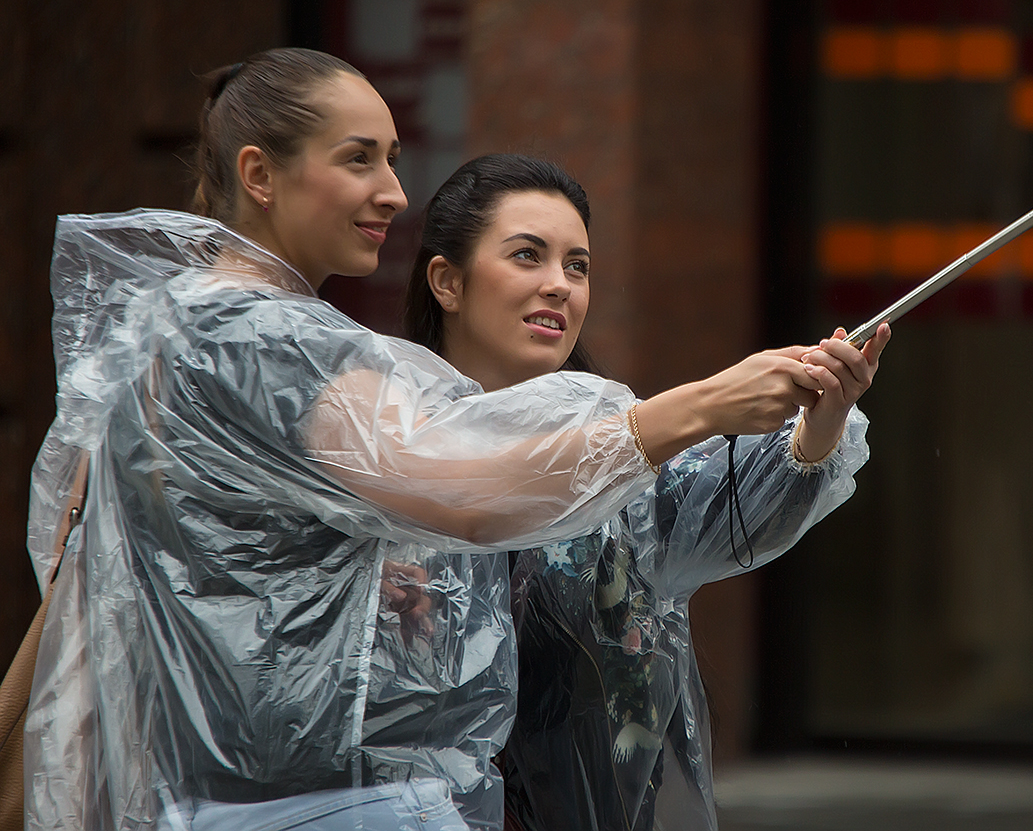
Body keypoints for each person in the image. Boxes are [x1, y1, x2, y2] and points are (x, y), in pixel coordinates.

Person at [23, 49, 833, 831]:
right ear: (259, 174)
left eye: (393, 159)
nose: (392, 193)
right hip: (327, 804)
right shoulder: (263, 340)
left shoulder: (168, 331)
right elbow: (467, 495)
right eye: (359, 160)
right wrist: (701, 407)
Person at [401, 154, 890, 831]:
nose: (559, 286)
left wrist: (821, 422)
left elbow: (738, 503)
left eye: (577, 266)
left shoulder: (624, 458)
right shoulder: (385, 447)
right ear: (446, 281)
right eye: (527, 256)